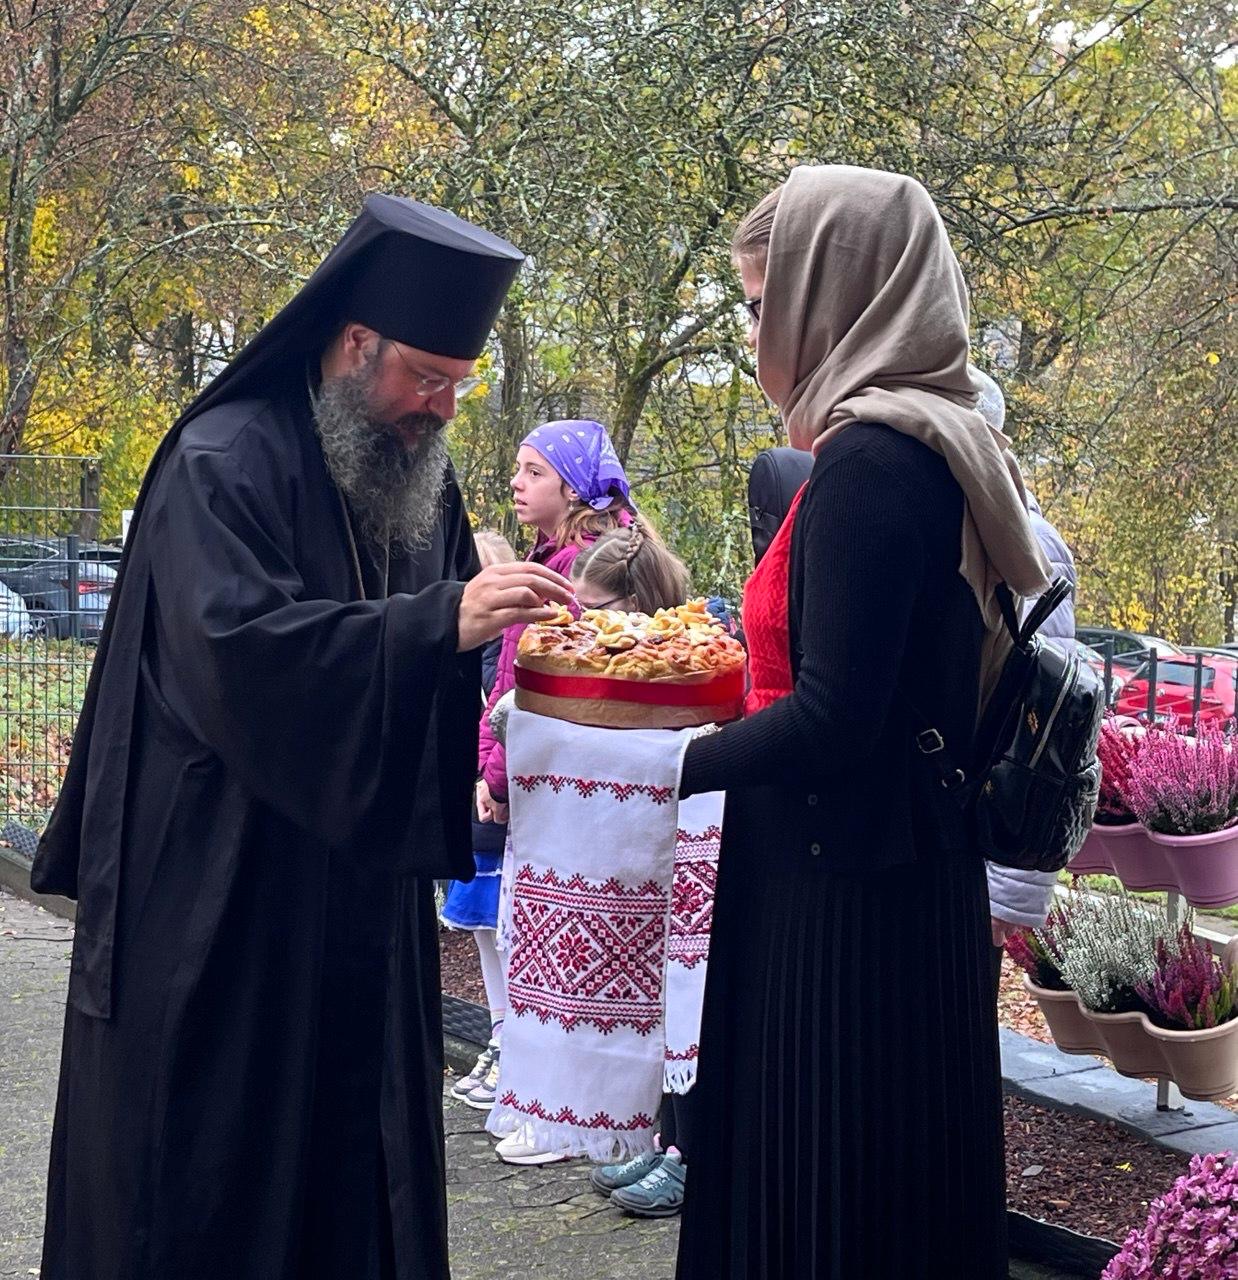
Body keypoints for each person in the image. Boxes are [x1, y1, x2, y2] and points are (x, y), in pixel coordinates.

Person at [29, 195, 574, 1280]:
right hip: (225, 894)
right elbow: (237, 655)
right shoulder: (222, 460)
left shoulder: (420, 477)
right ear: (355, 341)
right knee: (210, 1184)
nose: (440, 408)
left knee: (355, 1177)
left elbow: (444, 642)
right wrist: (436, 623)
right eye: (426, 376)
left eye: (459, 385)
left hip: (358, 896)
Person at [673, 166, 1051, 1279]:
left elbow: (836, 718)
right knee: (895, 1189)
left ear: (829, 297)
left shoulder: (869, 463)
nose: (754, 336)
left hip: (840, 897)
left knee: (827, 1186)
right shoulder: (943, 440)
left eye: (762, 304)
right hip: (907, 878)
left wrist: (667, 762)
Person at [972, 367, 1079, 990]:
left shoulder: (1026, 539)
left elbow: (1046, 718)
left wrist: (1010, 889)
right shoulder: (990, 527)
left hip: (992, 842)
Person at [442, 528, 518, 1110]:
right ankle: (498, 1034)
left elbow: (502, 711)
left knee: (505, 930)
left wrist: (489, 779)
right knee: (483, 931)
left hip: (496, 800)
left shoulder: (506, 648)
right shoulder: (475, 650)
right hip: (478, 801)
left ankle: (513, 1043)